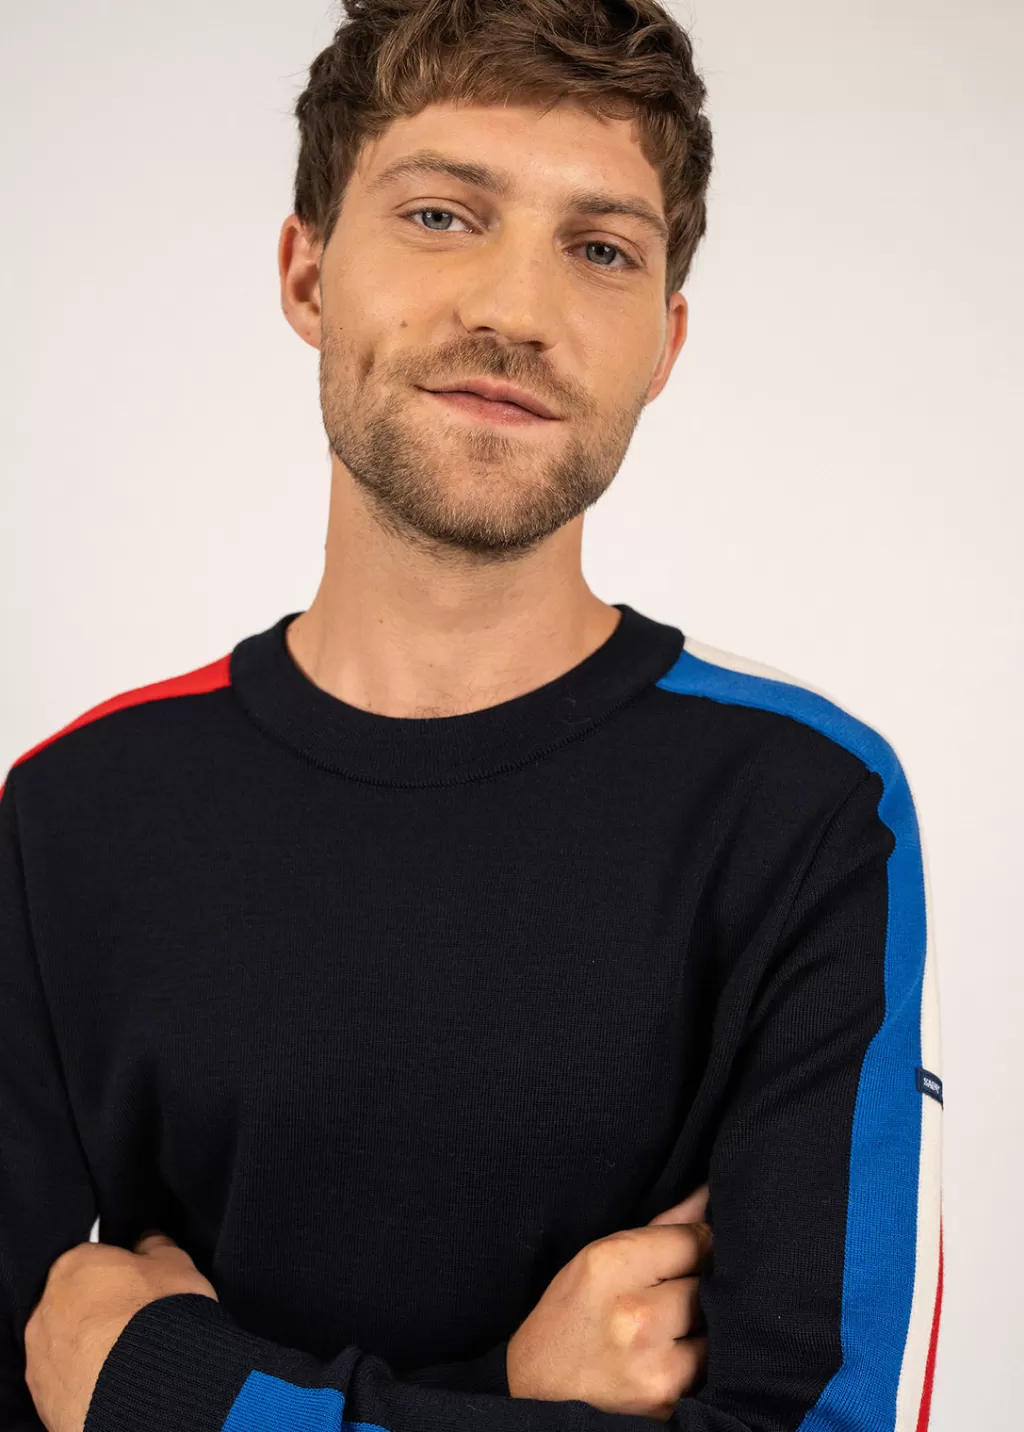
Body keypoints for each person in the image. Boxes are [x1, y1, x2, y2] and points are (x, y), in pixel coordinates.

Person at [0, 1, 942, 1429]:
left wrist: (168, 1391)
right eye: (442, 215)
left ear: (665, 345)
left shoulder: (807, 811)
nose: (515, 312)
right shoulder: (72, 812)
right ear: (308, 273)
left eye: (602, 249)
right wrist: (508, 1394)